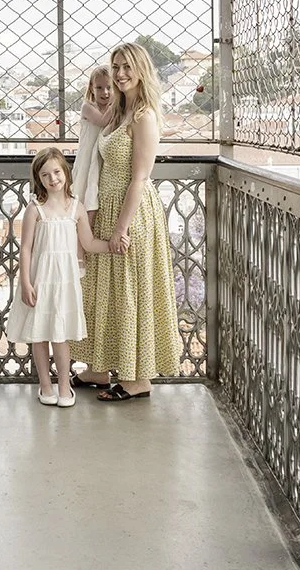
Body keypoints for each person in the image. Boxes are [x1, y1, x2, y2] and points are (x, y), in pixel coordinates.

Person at [69, 42, 181, 401]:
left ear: (141, 69)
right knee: (105, 290)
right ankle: (100, 368)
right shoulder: (119, 109)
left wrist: (120, 228)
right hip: (107, 205)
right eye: (115, 66)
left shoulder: (144, 116)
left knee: (131, 291)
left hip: (130, 212)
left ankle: (138, 379)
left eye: (126, 67)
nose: (119, 74)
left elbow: (140, 178)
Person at [5, 147, 112, 407]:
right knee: (39, 335)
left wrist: (112, 245)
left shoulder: (76, 208)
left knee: (60, 336)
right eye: (45, 175)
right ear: (38, 179)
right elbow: (26, 248)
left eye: (56, 172)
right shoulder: (35, 209)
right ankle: (45, 386)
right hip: (40, 280)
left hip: (65, 282)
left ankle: (64, 387)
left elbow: (87, 242)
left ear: (66, 172)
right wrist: (25, 283)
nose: (52, 179)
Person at [72, 65, 112, 231]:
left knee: (97, 198)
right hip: (87, 160)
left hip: (103, 159)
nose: (105, 92)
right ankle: (83, 237)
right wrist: (119, 103)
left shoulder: (113, 109)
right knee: (83, 195)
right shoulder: (88, 107)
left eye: (110, 87)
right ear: (91, 89)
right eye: (99, 88)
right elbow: (103, 121)